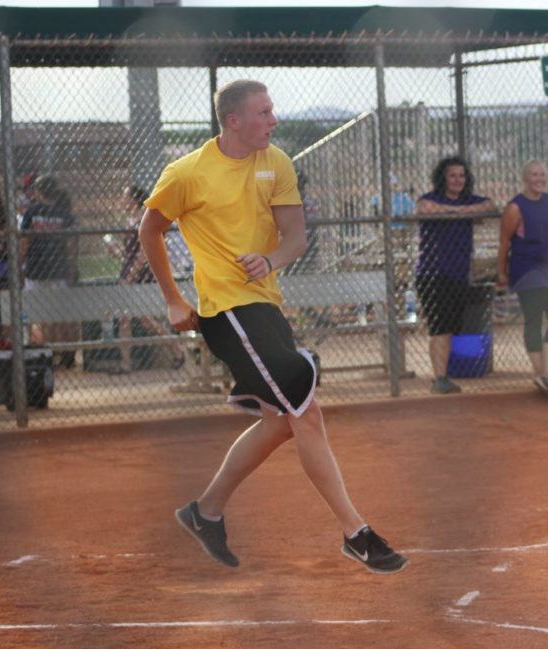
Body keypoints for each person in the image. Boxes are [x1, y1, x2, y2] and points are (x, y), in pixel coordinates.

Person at [138, 79, 407, 573]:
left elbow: (296, 238)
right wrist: (174, 299)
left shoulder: (276, 163)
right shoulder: (188, 173)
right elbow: (149, 229)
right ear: (233, 120)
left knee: (282, 422)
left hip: (264, 307)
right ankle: (356, 533)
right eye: (264, 112)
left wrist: (270, 259)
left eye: (272, 110)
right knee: (307, 413)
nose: (274, 120)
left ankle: (205, 511)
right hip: (226, 311)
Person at [415, 156, 496, 394]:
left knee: (449, 328)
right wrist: (461, 212)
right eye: (453, 175)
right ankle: (439, 378)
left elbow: (490, 206)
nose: (458, 180)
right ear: (443, 178)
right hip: (433, 274)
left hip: (459, 275)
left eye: (461, 175)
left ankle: (443, 376)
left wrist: (456, 211)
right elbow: (425, 208)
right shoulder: (430, 198)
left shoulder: (470, 199)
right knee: (440, 327)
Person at [497, 161, 548, 399]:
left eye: (542, 174)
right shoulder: (515, 207)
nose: (539, 179)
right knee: (534, 319)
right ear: (525, 179)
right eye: (534, 175)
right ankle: (543, 374)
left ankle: (547, 374)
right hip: (528, 269)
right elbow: (504, 242)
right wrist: (502, 272)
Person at [109, 186, 186, 375]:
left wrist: (130, 278)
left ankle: (177, 348)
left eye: (125, 198)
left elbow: (143, 255)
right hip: (128, 273)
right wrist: (115, 251)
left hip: (141, 276)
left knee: (145, 319)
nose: (122, 201)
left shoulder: (143, 220)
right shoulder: (130, 221)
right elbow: (128, 255)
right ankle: (125, 363)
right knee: (125, 319)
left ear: (134, 201)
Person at [20, 174, 78, 367]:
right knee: (60, 314)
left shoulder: (31, 213)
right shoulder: (64, 214)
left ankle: (39, 352)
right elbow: (71, 246)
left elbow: (24, 243)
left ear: (38, 192)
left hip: (35, 270)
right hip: (58, 269)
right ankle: (66, 354)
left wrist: (19, 266)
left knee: (31, 313)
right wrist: (70, 269)